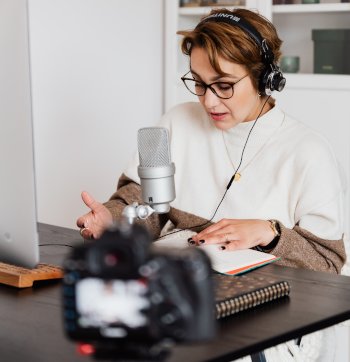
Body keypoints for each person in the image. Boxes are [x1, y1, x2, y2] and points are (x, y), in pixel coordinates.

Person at [77, 8, 346, 361]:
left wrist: (270, 233)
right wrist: (113, 219)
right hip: (181, 295)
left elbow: (328, 262)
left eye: (224, 85)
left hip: (268, 315)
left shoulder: (308, 151)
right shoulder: (178, 121)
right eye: (199, 83)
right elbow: (143, 201)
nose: (209, 100)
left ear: (265, 78)